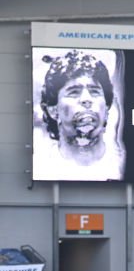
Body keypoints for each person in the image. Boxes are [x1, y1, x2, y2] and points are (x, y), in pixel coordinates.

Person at [35, 49, 124, 181]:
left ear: (106, 107)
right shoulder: (40, 169)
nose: (86, 100)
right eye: (74, 92)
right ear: (53, 110)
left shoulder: (124, 167)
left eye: (94, 92)